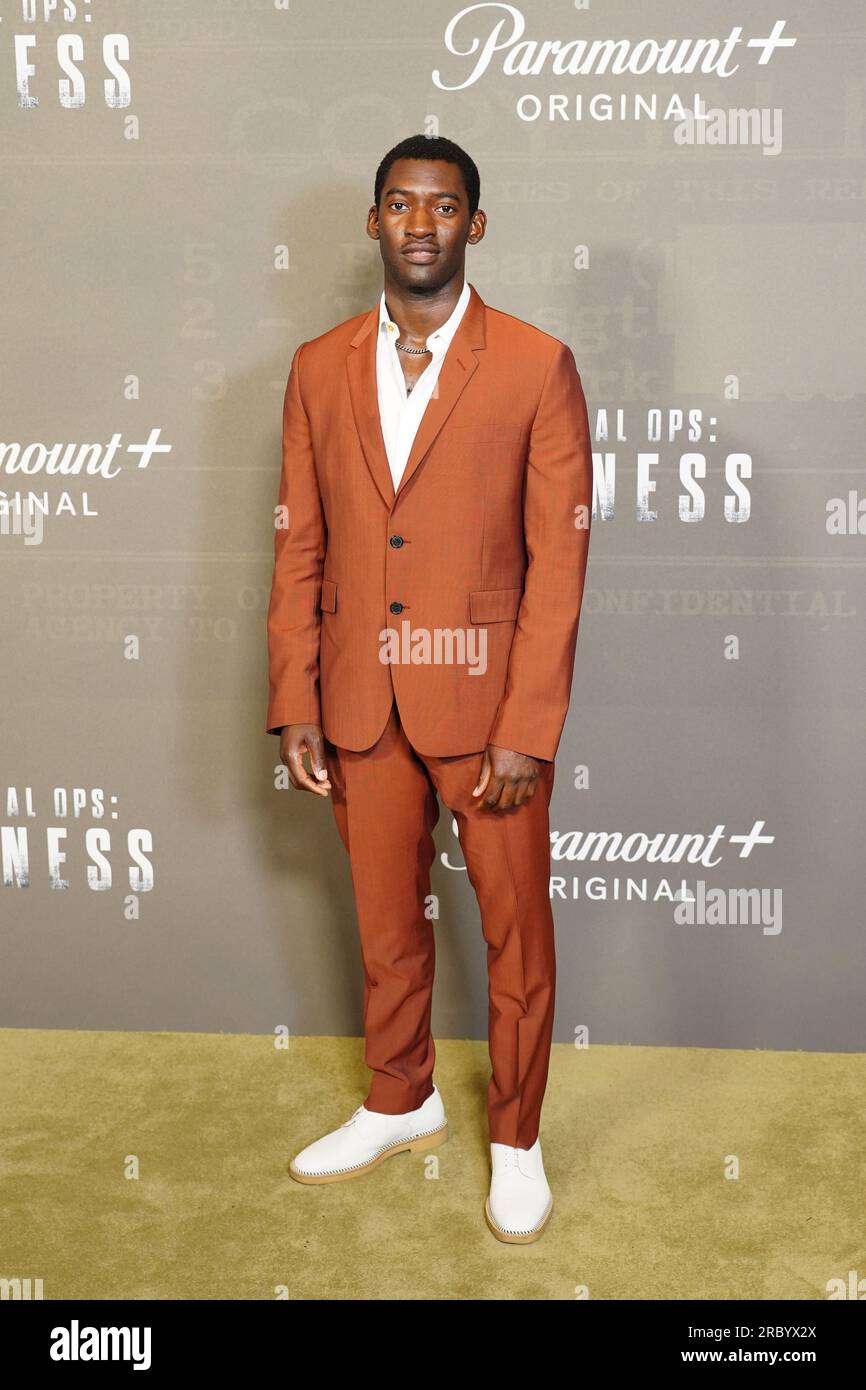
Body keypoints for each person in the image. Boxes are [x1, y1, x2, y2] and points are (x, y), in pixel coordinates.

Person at [266, 133, 592, 1243]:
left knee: (515, 938)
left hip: (486, 713)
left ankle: (515, 1143)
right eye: (398, 205)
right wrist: (294, 697)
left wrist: (527, 724)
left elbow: (557, 564)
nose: (419, 224)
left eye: (442, 207)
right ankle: (395, 1102)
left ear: (474, 225)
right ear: (372, 223)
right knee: (383, 926)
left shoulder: (535, 365)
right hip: (360, 702)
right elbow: (299, 547)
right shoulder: (316, 366)